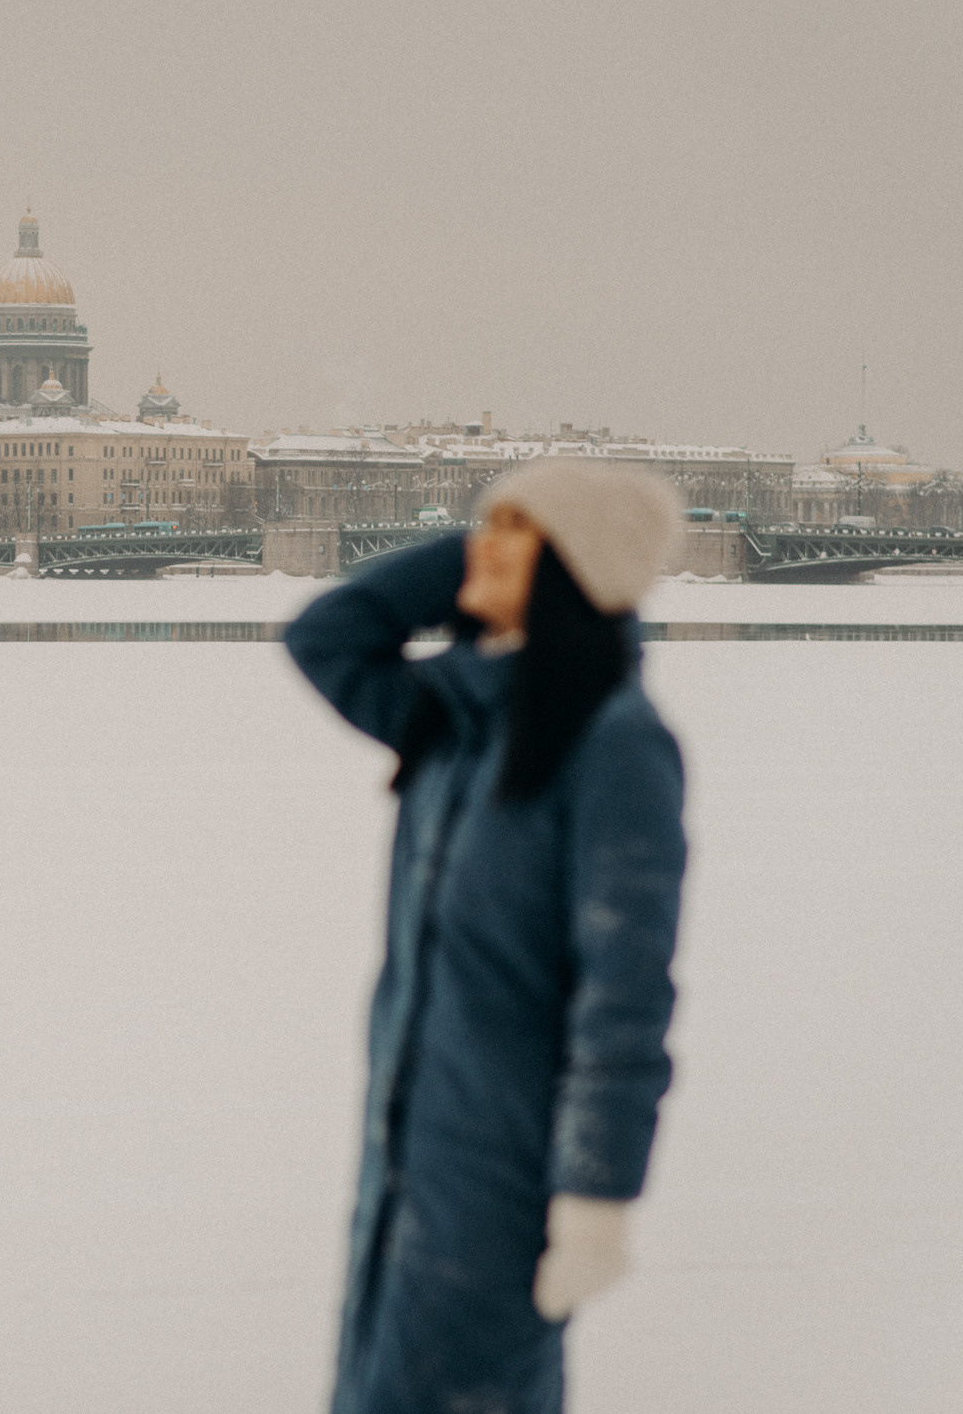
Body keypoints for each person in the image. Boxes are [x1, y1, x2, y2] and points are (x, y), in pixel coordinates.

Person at [284, 458, 689, 1414]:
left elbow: (624, 995)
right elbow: (328, 638)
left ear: (576, 564)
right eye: (483, 521)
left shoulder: (615, 744)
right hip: (408, 1152)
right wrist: (481, 547)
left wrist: (595, 1199)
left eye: (516, 528)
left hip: (503, 1177)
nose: (483, 542)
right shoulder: (458, 721)